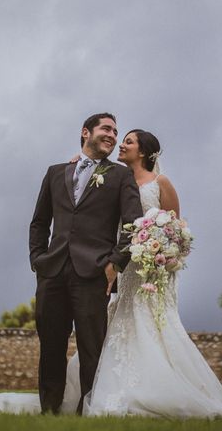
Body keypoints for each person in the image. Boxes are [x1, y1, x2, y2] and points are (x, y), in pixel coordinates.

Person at [0, 128, 222, 420]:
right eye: (117, 137)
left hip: (149, 266)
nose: (120, 143)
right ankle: (101, 391)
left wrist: (163, 256)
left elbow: (176, 229)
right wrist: (78, 167)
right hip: (119, 266)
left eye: (127, 141)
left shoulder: (160, 182)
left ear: (143, 151)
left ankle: (158, 385)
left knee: (150, 325)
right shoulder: (112, 175)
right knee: (118, 324)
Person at [30, 113, 142, 414]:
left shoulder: (120, 175)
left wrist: (115, 264)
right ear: (85, 132)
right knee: (51, 345)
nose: (112, 135)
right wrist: (37, 260)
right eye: (106, 128)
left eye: (116, 131)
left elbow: (133, 224)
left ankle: (88, 412)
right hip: (52, 271)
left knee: (92, 348)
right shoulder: (55, 173)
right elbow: (40, 222)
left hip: (94, 272)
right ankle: (49, 410)